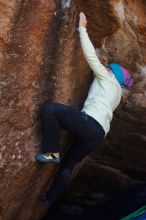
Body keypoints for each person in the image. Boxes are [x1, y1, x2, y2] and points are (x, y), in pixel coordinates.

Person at [35, 12, 133, 208]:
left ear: (112, 74)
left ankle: (52, 152)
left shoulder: (107, 79)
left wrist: (82, 28)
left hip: (90, 124)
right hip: (97, 135)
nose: (104, 68)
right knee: (68, 165)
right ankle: (49, 200)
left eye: (108, 68)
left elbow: (91, 56)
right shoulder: (116, 94)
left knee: (49, 110)